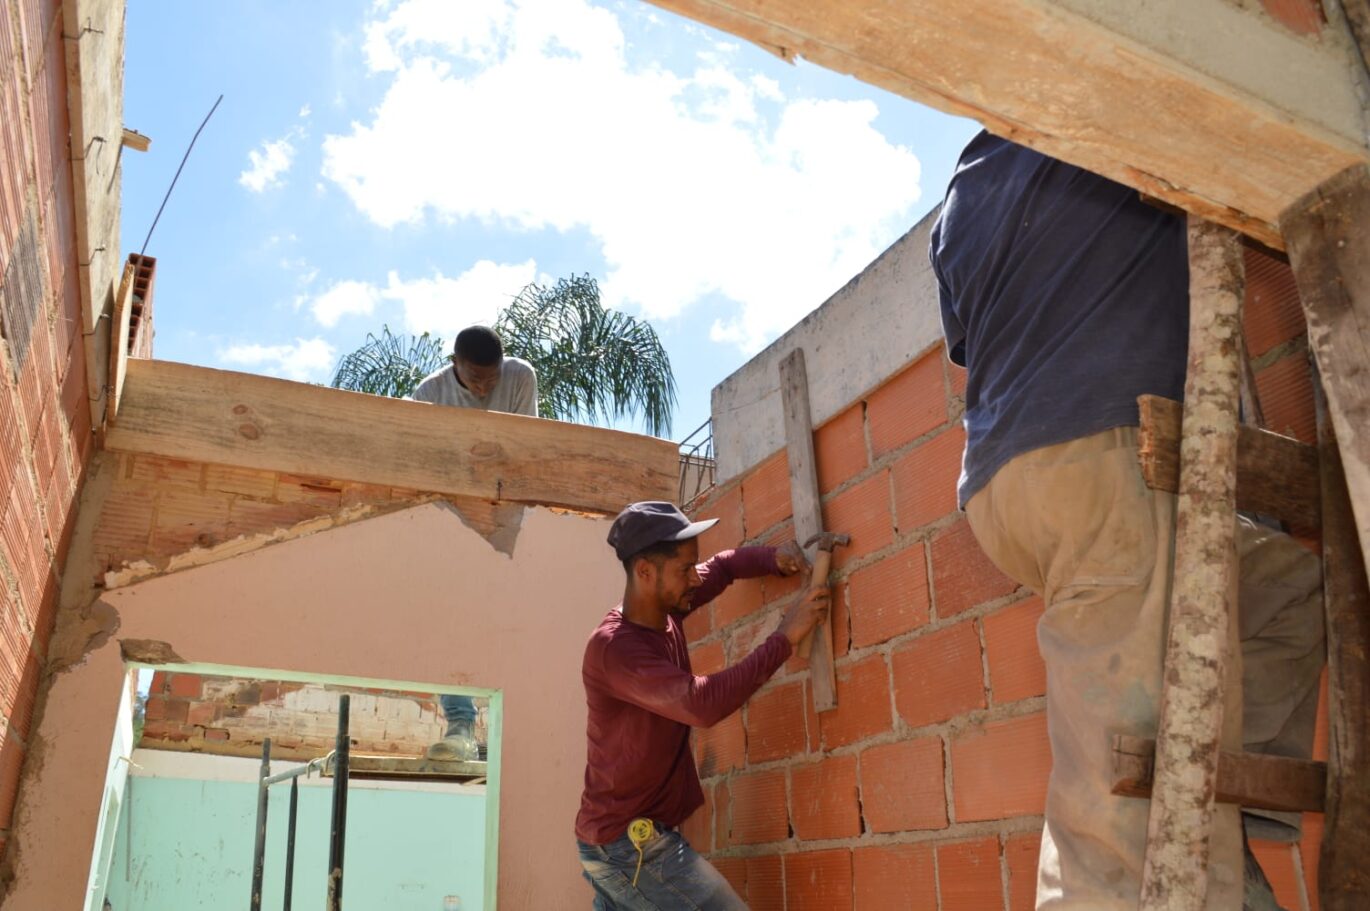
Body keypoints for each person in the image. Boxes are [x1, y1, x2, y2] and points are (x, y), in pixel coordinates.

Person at [930, 132, 1324, 911]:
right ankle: (1148, 868)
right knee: (1116, 810)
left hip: (1007, 485)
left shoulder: (962, 187)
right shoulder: (1097, 102)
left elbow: (969, 346)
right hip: (1104, 459)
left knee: (1286, 587)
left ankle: (1217, 826)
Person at [576, 501, 828, 909]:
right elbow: (701, 703)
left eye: (693, 566)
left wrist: (771, 559)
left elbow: (724, 566)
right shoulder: (616, 649)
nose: (695, 577)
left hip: (622, 840)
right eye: (684, 569)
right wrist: (784, 636)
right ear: (644, 572)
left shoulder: (666, 607)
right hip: (629, 845)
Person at [414, 325, 538, 761]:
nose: (487, 389)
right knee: (452, 618)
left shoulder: (519, 376)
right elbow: (425, 467)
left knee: (512, 615)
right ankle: (461, 724)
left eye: (493, 379)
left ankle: (516, 723)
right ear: (455, 365)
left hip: (506, 518)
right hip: (451, 521)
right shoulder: (429, 394)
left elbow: (521, 446)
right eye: (476, 380)